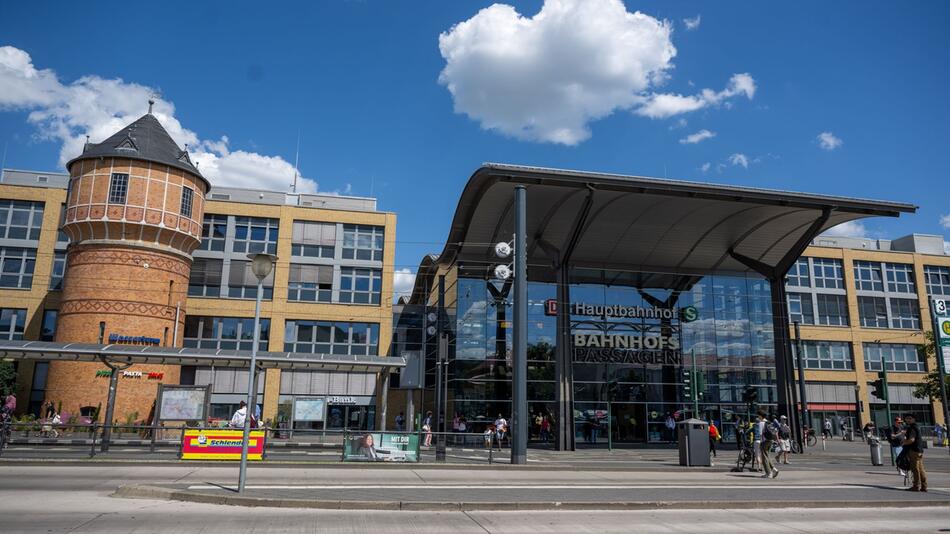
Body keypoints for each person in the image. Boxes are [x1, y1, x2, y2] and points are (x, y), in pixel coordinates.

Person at [901, 414, 927, 492]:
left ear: (914, 419)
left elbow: (911, 440)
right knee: (921, 469)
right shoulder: (916, 427)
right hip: (919, 450)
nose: (908, 420)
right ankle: (924, 486)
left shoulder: (912, 428)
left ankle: (916, 486)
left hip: (914, 450)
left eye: (910, 418)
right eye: (906, 418)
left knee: (915, 469)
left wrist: (904, 442)